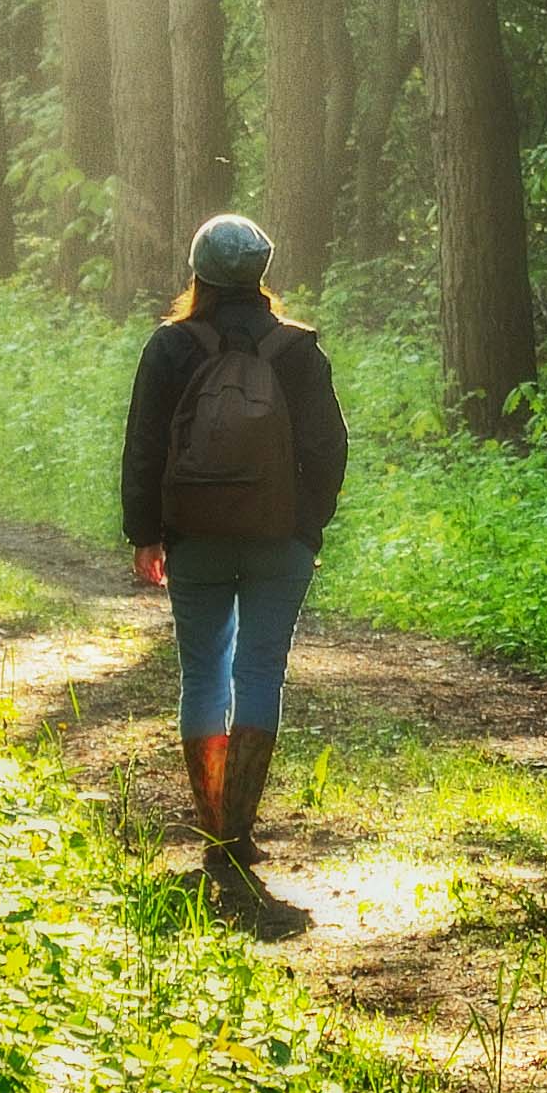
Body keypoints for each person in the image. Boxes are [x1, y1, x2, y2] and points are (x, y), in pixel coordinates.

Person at [121, 214, 349, 872]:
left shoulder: (169, 348)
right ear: (260, 273)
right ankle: (239, 831)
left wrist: (146, 533)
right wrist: (308, 525)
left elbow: (145, 447)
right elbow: (328, 447)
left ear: (199, 274)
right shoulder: (298, 350)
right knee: (257, 670)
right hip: (281, 539)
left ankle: (212, 826)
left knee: (203, 673)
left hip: (195, 537)